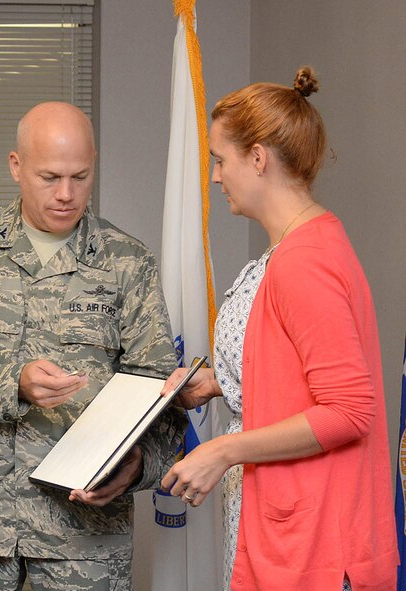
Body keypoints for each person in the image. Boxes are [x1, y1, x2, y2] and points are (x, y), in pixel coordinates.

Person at [0, 101, 186, 590]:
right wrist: (11, 381)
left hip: (85, 527)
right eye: (49, 177)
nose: (66, 194)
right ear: (15, 166)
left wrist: (139, 466)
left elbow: (162, 395)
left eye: (80, 176)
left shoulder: (127, 263)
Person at [160, 68, 398, 590]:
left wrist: (221, 449)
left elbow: (348, 410)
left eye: (221, 160)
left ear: (259, 158)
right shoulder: (296, 248)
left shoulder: (304, 261)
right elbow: (300, 368)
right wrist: (223, 384)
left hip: (314, 539)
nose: (217, 176)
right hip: (279, 523)